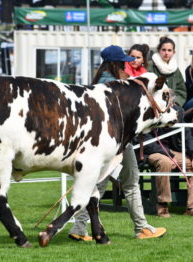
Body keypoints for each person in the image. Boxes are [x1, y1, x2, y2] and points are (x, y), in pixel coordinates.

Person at [68, 45, 166, 242]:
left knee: (98, 184)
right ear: (115, 63)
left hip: (107, 141)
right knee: (130, 182)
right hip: (117, 140)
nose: (126, 65)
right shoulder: (114, 83)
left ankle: (79, 226)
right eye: (123, 62)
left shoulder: (101, 79)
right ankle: (142, 227)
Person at [140, 105, 193, 217]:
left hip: (171, 151)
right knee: (165, 162)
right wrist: (167, 154)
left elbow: (188, 136)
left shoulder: (177, 111)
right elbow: (146, 140)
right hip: (151, 150)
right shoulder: (147, 111)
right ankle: (162, 205)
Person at [148, 36, 186, 107]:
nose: (166, 53)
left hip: (172, 105)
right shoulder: (150, 66)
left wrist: (175, 102)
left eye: (169, 50)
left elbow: (181, 91)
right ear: (159, 50)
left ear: (173, 52)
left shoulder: (175, 69)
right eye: (164, 50)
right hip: (153, 105)